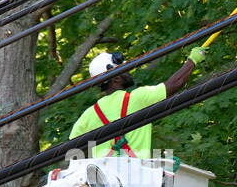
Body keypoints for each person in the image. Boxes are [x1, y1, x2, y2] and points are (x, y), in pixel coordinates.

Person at [68, 46, 205, 159]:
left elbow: (72, 150)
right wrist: (193, 60)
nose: (128, 71)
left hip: (104, 181)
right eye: (123, 69)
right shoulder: (138, 98)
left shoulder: (89, 115)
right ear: (115, 78)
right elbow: (174, 84)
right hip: (136, 176)